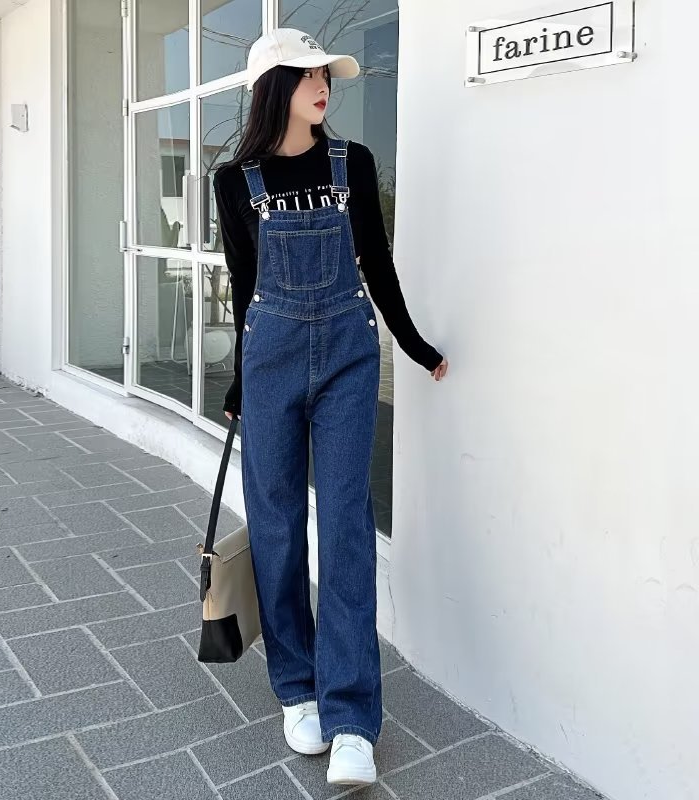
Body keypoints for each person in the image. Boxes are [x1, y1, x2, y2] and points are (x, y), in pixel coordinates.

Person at [213, 28, 449, 786]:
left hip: (349, 356)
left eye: (325, 75)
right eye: (307, 74)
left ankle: (351, 717)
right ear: (272, 87)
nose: (323, 85)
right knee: (277, 525)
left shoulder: (354, 163)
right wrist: (241, 384)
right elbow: (244, 286)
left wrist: (413, 345)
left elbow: (377, 263)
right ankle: (296, 689)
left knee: (346, 526)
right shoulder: (234, 180)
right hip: (270, 359)